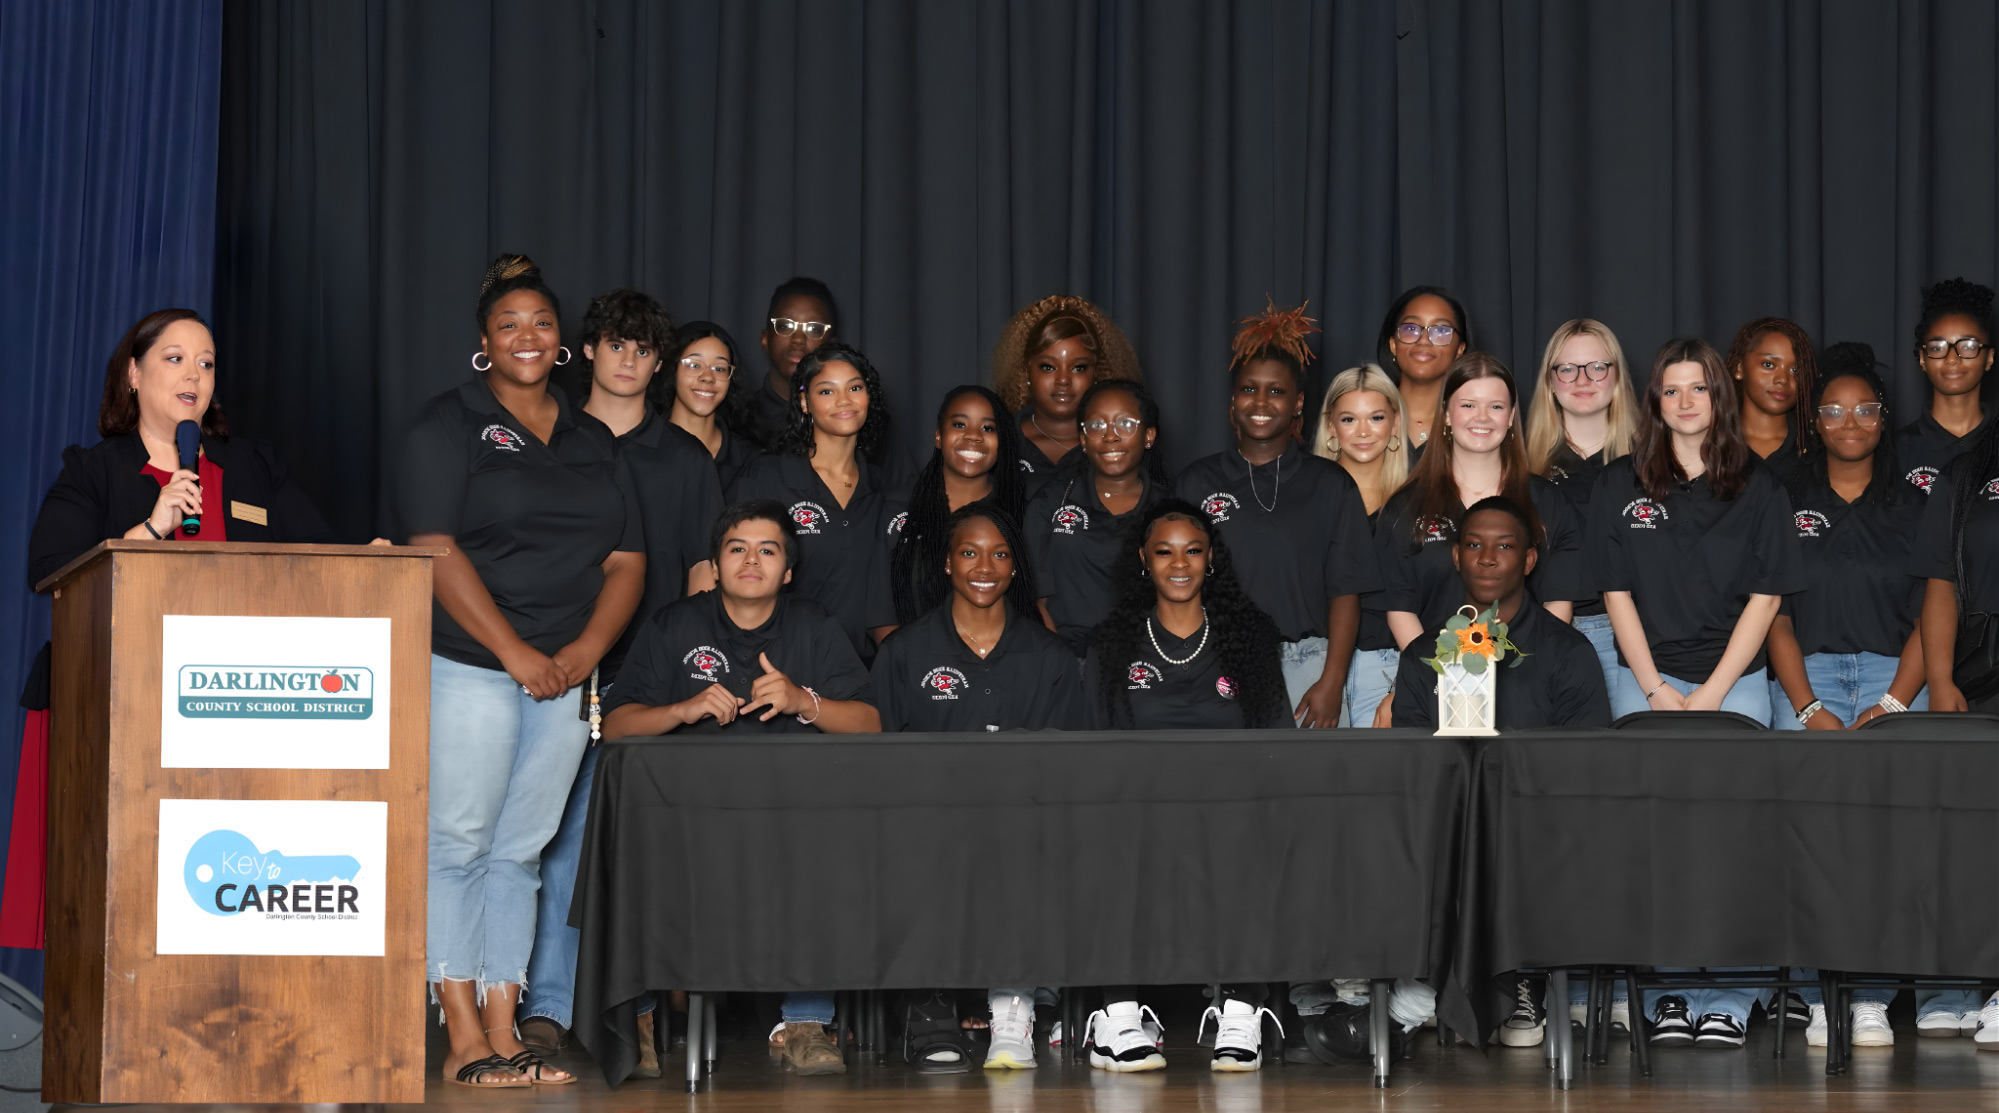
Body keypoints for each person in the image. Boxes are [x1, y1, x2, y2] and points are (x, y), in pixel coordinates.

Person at [9, 308, 337, 949]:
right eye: (175, 358)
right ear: (133, 373)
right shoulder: (94, 471)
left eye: (207, 362)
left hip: (239, 712)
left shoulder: (249, 468)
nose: (195, 374)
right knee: (120, 908)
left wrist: (376, 559)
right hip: (118, 707)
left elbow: (324, 558)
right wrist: (147, 531)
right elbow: (50, 574)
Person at [399, 255, 646, 1087]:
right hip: (472, 665)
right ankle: (462, 1033)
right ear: (484, 343)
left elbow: (626, 559)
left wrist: (582, 655)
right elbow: (432, 546)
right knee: (459, 844)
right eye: (509, 324)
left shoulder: (592, 439)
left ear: (562, 341)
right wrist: (515, 652)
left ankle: (508, 1032)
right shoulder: (447, 423)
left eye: (541, 321)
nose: (527, 335)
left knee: (522, 852)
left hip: (566, 675)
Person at [601, 500, 879, 1076]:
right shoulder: (676, 624)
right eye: (737, 548)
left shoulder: (812, 625)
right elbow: (618, 725)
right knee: (631, 847)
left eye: (768, 550)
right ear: (716, 563)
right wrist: (682, 708)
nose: (751, 560)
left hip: (791, 819)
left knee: (825, 849)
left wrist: (805, 702)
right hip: (687, 820)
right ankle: (642, 1019)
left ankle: (805, 1021)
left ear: (788, 571)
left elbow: (871, 723)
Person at [519, 289, 722, 1071]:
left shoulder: (684, 459)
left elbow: (704, 578)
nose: (630, 360)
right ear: (590, 352)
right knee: (554, 844)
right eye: (616, 344)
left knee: (642, 857)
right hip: (562, 670)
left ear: (656, 362)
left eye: (644, 348)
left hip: (655, 688)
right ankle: (546, 1005)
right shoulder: (553, 439)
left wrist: (691, 686)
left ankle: (629, 1011)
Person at [870, 505, 1085, 1071]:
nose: (983, 566)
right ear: (946, 563)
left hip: (1025, 825)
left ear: (1016, 568)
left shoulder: (1053, 657)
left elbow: (1069, 771)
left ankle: (1012, 1003)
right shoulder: (904, 653)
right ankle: (929, 1003)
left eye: (999, 553)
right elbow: (881, 766)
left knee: (1022, 842)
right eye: (969, 552)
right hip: (930, 827)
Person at [1081, 500, 1287, 1071]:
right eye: (1164, 551)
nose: (1179, 564)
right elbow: (1096, 747)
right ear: (1143, 561)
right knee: (1113, 850)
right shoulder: (1112, 644)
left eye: (1192, 551)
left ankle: (1242, 1010)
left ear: (1211, 561)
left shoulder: (1248, 637)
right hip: (1139, 812)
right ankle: (1117, 1015)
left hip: (1228, 812)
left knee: (1258, 847)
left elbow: (1276, 741)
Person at [1177, 301, 1378, 725]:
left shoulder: (1331, 484)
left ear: (1298, 402)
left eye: (1277, 390)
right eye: (1249, 389)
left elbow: (1346, 592)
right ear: (1232, 400)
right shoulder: (1196, 483)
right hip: (1217, 660)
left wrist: (1332, 680)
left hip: (1310, 665)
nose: (1261, 401)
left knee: (1314, 789)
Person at [1587, 337, 1802, 727]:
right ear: (1656, 400)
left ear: (1719, 395)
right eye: (1672, 391)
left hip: (1736, 680)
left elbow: (1767, 600)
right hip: (1645, 677)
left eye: (1698, 389)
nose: (1685, 403)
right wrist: (1653, 687)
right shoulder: (1616, 483)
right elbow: (1615, 594)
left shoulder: (1762, 486)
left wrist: (1715, 691)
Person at [1369, 354, 1587, 726]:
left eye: (1496, 406)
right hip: (1434, 681)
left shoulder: (1548, 503)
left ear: (1511, 416)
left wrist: (1522, 673)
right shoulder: (1406, 507)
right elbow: (1400, 608)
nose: (1482, 417)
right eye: (1468, 405)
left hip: (1526, 682)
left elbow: (1557, 605)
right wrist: (1436, 676)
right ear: (1448, 415)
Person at [729, 341, 897, 661]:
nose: (843, 400)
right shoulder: (767, 477)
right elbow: (731, 578)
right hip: (779, 670)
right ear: (805, 402)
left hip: (861, 681)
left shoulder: (884, 489)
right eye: (826, 391)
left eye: (855, 387)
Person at [1389, 497, 1611, 730]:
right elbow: (1413, 758)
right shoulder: (1420, 654)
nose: (1486, 559)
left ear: (1529, 560)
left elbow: (1585, 758)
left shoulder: (1569, 654)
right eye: (1474, 545)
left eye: (1504, 546)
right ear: (1456, 557)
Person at [1524, 318, 1640, 696]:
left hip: (1637, 639)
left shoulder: (1653, 463)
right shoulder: (1522, 467)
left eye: (1597, 367)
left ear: (1617, 376)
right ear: (1550, 382)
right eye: (1568, 369)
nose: (1582, 380)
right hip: (1546, 633)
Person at [1024, 378, 1169, 655]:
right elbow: (1035, 601)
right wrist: (1061, 665)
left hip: (1146, 667)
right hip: (1067, 661)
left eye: (1125, 423)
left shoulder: (1171, 510)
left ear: (1149, 436)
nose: (1110, 435)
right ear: (1083, 439)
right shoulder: (1050, 503)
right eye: (1096, 425)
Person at [1311, 364, 1409, 727]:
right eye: (1350, 419)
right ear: (1331, 427)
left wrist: (1408, 683)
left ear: (1395, 424)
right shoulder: (1304, 496)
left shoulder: (1420, 501)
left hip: (1391, 669)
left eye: (1377, 417)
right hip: (1312, 665)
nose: (1364, 431)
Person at [886, 385, 1028, 624]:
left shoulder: (1021, 512)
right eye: (960, 425)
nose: (973, 435)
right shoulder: (894, 507)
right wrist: (907, 660)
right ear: (939, 436)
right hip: (909, 657)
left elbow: (1032, 605)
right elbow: (881, 615)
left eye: (988, 428)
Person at [991, 295, 1144, 497]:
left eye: (1078, 368)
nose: (1063, 380)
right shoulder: (995, 442)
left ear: (1097, 372)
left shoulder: (1125, 444)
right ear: (1026, 371)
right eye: (1048, 367)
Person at [1899, 277, 1996, 496]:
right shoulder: (1894, 453)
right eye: (1937, 347)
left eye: (1968, 346)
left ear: (1989, 358)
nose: (1952, 358)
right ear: (1922, 358)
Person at [1374, 285, 1473, 455]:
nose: (1424, 340)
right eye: (1411, 329)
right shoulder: (1364, 417)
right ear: (1393, 344)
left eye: (1441, 330)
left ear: (1460, 349)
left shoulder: (1476, 422)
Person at [666, 321, 761, 489]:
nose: (708, 377)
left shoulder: (751, 461)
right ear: (672, 369)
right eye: (694, 365)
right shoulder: (639, 450)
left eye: (719, 368)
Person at [751, 276, 840, 448]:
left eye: (814, 329)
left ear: (832, 346)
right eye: (785, 326)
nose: (798, 339)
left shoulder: (850, 419)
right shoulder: (739, 422)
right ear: (765, 339)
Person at [1726, 317, 1817, 485]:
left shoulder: (1816, 448)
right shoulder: (1711, 443)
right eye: (1768, 365)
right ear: (1739, 368)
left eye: (1795, 369)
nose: (1783, 379)